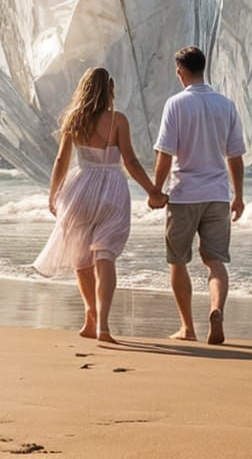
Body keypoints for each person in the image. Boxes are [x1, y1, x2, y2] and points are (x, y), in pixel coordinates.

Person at [34, 67, 166, 342]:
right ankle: (103, 325)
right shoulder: (118, 120)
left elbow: (60, 161)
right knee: (104, 256)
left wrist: (53, 194)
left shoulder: (74, 119)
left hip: (79, 189)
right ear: (110, 91)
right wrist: (152, 191)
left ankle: (89, 315)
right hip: (111, 191)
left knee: (81, 258)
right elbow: (129, 160)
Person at [153, 45, 245, 345]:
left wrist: (156, 190)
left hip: (184, 194)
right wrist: (239, 195)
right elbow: (235, 156)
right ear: (203, 68)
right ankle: (216, 310)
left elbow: (165, 154)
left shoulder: (176, 104)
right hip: (217, 193)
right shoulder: (226, 104)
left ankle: (187, 328)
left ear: (180, 71)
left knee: (177, 261)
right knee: (215, 261)